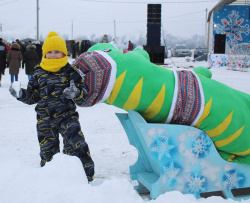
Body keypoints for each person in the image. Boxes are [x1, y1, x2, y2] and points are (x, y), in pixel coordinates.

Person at [9, 31, 94, 182]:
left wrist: (76, 93)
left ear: (64, 53)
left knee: (76, 144)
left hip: (67, 116)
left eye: (57, 52)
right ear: (44, 54)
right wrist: (20, 94)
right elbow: (33, 95)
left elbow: (85, 93)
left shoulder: (70, 71)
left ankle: (84, 175)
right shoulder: (38, 72)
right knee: (47, 150)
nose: (53, 55)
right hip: (45, 118)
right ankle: (50, 178)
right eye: (50, 52)